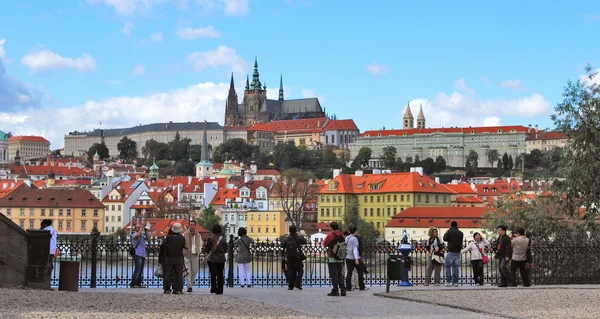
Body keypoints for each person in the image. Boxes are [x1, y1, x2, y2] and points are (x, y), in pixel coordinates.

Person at [159, 223, 186, 294]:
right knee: (179, 274)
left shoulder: (168, 237)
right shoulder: (182, 238)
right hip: (178, 258)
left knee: (168, 274)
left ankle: (167, 289)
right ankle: (178, 289)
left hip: (169, 258)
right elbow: (183, 246)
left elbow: (162, 247)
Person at [323, 222, 346, 296]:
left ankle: (335, 290)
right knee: (340, 274)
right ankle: (343, 289)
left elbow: (324, 244)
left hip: (332, 257)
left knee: (334, 274)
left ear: (331, 228)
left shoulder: (330, 235)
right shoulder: (342, 235)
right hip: (341, 257)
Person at [281, 226, 307, 290]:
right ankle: (297, 283)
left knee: (291, 271)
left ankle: (290, 286)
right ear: (295, 231)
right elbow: (304, 241)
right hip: (297, 257)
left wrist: (283, 256)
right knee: (300, 270)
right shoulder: (298, 238)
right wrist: (300, 235)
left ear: (289, 231)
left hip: (289, 257)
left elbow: (282, 247)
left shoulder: (286, 238)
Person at [205, 224, 227, 294]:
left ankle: (213, 289)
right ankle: (220, 290)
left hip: (212, 259)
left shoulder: (210, 239)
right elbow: (226, 249)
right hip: (221, 259)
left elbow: (207, 249)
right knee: (220, 274)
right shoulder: (223, 239)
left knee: (213, 275)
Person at [183, 220, 203, 293]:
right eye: (190, 225)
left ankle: (191, 283)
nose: (192, 226)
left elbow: (200, 244)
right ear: (188, 225)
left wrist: (199, 250)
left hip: (195, 254)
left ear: (195, 226)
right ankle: (189, 286)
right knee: (188, 271)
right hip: (187, 254)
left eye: (193, 225)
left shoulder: (198, 235)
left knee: (194, 271)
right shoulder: (185, 234)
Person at [345, 225, 366, 291]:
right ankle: (361, 286)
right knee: (360, 271)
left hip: (347, 257)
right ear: (355, 231)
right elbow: (355, 249)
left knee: (349, 273)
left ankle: (348, 287)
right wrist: (356, 259)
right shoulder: (355, 239)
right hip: (353, 258)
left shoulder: (347, 238)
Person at [443, 221, 464, 287]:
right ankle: (455, 282)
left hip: (451, 251)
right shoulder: (461, 233)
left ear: (451, 225)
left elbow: (445, 239)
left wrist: (446, 232)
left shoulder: (449, 232)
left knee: (447, 266)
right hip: (458, 252)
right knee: (456, 267)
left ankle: (448, 281)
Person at [130, 223, 147, 288]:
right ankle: (133, 284)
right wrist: (142, 228)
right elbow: (137, 236)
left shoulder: (142, 234)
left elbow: (148, 239)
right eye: (138, 227)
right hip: (137, 253)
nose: (139, 228)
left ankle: (139, 283)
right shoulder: (133, 234)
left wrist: (147, 231)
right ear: (135, 228)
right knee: (137, 269)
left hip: (142, 254)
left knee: (141, 270)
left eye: (140, 227)